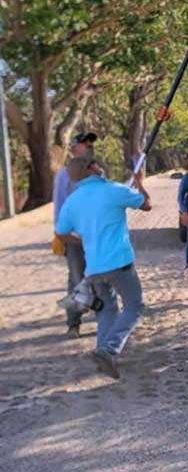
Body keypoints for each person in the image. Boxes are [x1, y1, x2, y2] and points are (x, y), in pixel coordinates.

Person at [54, 158, 152, 379]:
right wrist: (140, 183)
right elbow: (146, 204)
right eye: (96, 163)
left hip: (95, 267)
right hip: (119, 263)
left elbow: (60, 232)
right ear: (91, 169)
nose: (100, 165)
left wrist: (86, 241)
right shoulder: (112, 189)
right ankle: (108, 350)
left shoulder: (72, 200)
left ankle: (103, 354)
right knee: (135, 306)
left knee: (107, 310)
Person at [52, 132, 98, 339]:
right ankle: (73, 324)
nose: (89, 146)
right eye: (84, 144)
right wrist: (61, 234)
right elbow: (59, 205)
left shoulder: (98, 172)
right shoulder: (64, 175)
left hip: (97, 235)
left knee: (100, 277)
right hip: (74, 236)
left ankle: (104, 319)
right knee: (77, 278)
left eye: (90, 144)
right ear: (74, 148)